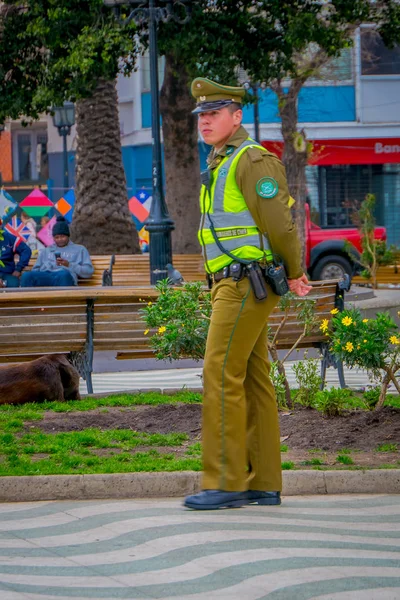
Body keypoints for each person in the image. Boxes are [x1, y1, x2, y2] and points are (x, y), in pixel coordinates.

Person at [184, 78, 312, 511]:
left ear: (236, 117)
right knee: (254, 378)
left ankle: (226, 480)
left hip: (245, 283)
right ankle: (262, 481)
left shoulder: (251, 160)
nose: (205, 121)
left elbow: (280, 225)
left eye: (213, 114)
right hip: (234, 282)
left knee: (219, 372)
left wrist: (295, 271)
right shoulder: (220, 161)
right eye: (201, 115)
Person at [20, 216, 94, 287]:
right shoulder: (46, 250)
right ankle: (29, 299)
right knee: (26, 276)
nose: (60, 239)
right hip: (46, 276)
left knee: (64, 274)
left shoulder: (80, 249)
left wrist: (69, 265)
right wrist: (45, 268)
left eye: (62, 236)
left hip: (64, 277)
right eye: (56, 237)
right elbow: (35, 269)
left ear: (68, 236)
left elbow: (88, 272)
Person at [0, 219, 32, 287]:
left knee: (14, 284)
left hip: (7, 274)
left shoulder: (9, 238)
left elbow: (26, 250)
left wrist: (18, 268)